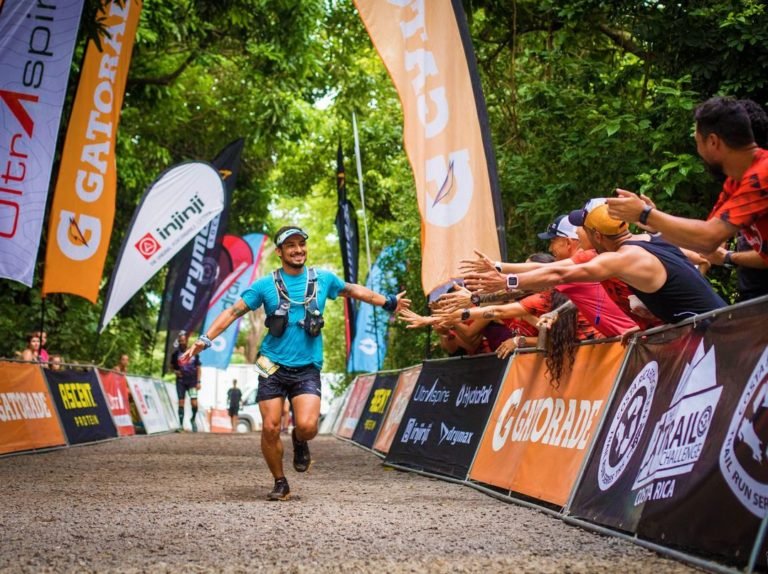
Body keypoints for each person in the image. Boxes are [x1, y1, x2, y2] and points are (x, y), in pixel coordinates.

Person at [180, 225, 409, 501]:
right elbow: (232, 311)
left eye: (301, 244)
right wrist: (205, 339)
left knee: (309, 426)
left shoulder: (323, 279)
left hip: (307, 367)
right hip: (272, 365)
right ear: (280, 252)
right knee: (270, 427)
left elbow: (355, 291)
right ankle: (280, 481)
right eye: (291, 246)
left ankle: (300, 440)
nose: (298, 249)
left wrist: (389, 302)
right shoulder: (264, 286)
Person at [497, 201, 727, 325]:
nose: (580, 234)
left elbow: (559, 274)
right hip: (722, 320)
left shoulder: (621, 258)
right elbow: (701, 259)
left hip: (715, 330)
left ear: (597, 236)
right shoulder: (652, 238)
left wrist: (508, 279)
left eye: (584, 230)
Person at [606, 96, 768, 264]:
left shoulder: (762, 175)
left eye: (697, 142)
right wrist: (656, 227)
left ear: (713, 142)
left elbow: (708, 238)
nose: (698, 150)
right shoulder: (736, 181)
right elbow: (704, 243)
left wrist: (646, 214)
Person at [171, 332, 201, 432]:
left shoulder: (194, 352)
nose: (182, 343)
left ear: (187, 341)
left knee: (194, 403)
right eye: (180, 341)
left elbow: (198, 367)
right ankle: (180, 425)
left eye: (183, 341)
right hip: (181, 382)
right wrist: (175, 371)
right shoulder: (175, 354)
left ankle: (192, 419)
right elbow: (171, 366)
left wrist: (198, 381)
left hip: (192, 382)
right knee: (181, 402)